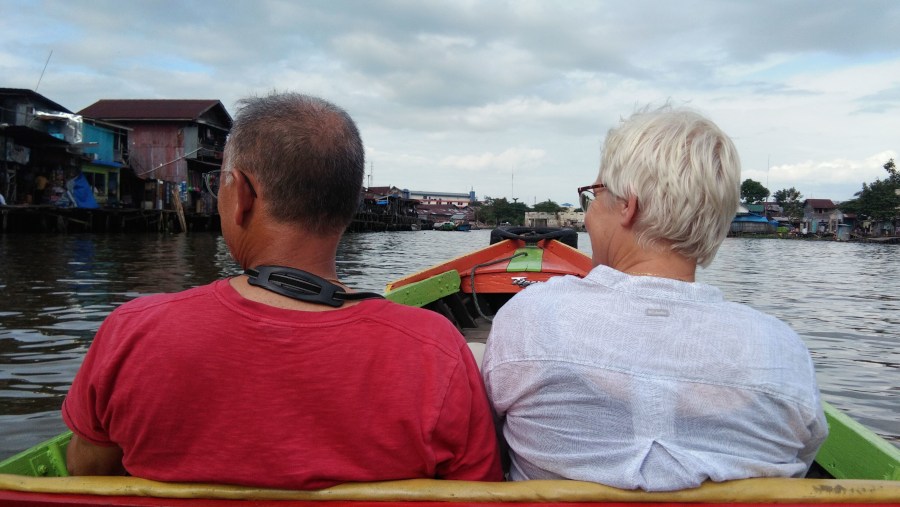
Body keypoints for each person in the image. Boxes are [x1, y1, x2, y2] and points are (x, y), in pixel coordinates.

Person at [62, 92, 502, 489]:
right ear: (349, 205)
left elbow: (87, 479)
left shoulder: (133, 331)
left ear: (243, 195)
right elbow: (473, 494)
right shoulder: (434, 348)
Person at [482, 106, 827, 491]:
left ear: (628, 206)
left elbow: (488, 449)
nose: (590, 212)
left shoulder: (528, 319)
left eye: (595, 195)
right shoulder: (785, 352)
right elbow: (801, 460)